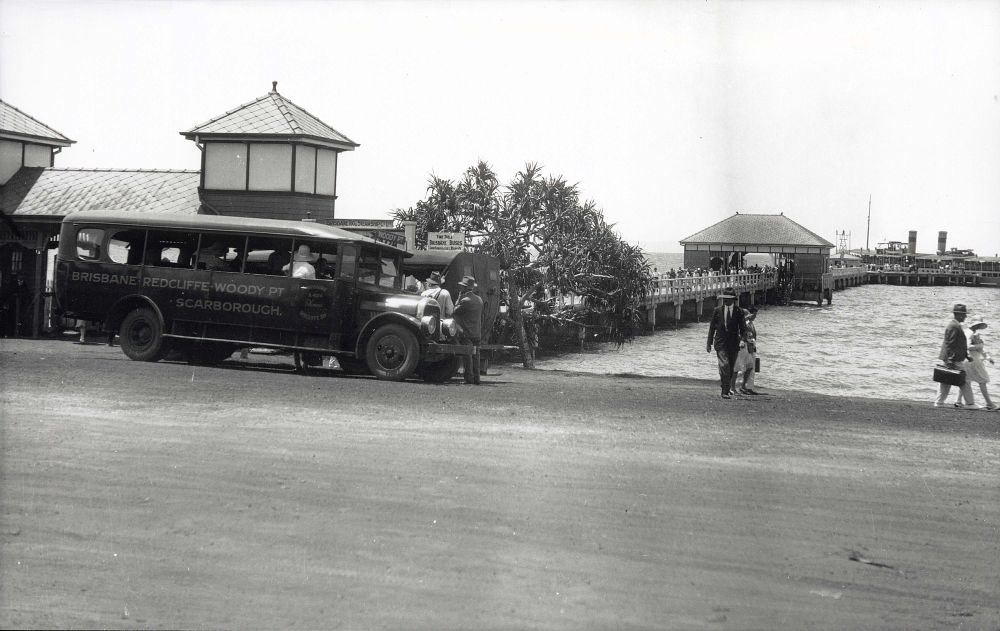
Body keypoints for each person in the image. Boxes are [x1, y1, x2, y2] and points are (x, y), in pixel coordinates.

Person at [934, 303, 978, 409]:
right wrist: (950, 359)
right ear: (959, 314)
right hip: (953, 359)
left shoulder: (954, 325)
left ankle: (939, 402)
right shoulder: (954, 326)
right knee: (965, 379)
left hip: (952, 358)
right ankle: (970, 403)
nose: (966, 316)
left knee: (945, 380)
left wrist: (966, 356)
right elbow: (950, 344)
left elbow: (956, 344)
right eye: (964, 314)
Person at [706, 287, 746, 399]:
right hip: (720, 342)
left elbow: (743, 329)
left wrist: (742, 340)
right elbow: (712, 328)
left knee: (731, 367)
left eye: (728, 299)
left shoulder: (739, 312)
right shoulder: (717, 310)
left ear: (733, 299)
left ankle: (726, 387)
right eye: (724, 298)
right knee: (725, 365)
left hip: (734, 343)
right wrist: (709, 343)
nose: (725, 301)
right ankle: (724, 391)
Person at [453, 275, 484, 384]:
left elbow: (454, 311)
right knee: (476, 356)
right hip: (477, 332)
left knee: (468, 356)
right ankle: (477, 379)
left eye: (462, 286)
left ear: (465, 288)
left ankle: (469, 378)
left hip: (467, 332)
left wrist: (459, 297)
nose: (460, 288)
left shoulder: (465, 300)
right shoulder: (479, 299)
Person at [966, 316, 996, 410]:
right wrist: (978, 345)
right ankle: (989, 403)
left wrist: (987, 357)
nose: (978, 326)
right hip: (972, 360)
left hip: (971, 359)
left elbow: (980, 349)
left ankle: (958, 401)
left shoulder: (973, 333)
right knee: (983, 380)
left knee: (966, 380)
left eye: (979, 324)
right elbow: (966, 347)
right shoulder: (969, 333)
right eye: (978, 324)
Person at [735, 306, 761, 395]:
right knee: (743, 367)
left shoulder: (750, 323)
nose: (755, 316)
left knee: (750, 367)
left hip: (750, 346)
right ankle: (740, 386)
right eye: (754, 314)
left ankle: (745, 386)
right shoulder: (745, 324)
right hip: (746, 346)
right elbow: (745, 335)